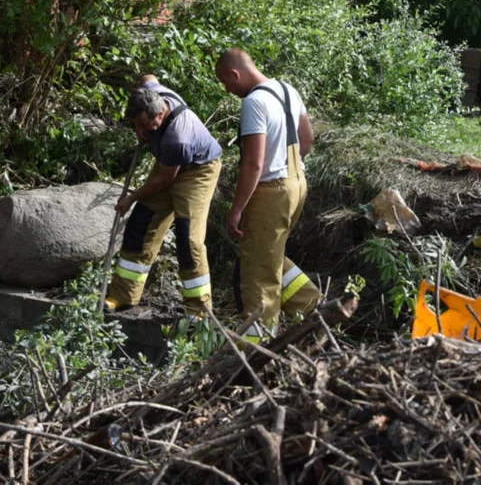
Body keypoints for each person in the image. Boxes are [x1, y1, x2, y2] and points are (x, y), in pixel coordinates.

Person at [215, 48, 322, 343]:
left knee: (258, 272)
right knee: (268, 253)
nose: (227, 89)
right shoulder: (287, 89)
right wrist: (289, 166)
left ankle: (257, 346)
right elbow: (308, 139)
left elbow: (254, 163)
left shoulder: (254, 102)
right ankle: (311, 305)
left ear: (235, 74)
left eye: (226, 82)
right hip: (297, 183)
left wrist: (237, 208)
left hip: (271, 192)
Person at [105, 76, 222, 317]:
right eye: (136, 125)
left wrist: (131, 198)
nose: (140, 132)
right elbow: (149, 78)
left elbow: (164, 180)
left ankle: (199, 312)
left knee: (188, 240)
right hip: (168, 164)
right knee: (141, 224)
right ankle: (122, 295)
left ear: (160, 115)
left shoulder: (176, 137)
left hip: (198, 171)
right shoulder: (151, 92)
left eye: (145, 127)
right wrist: (143, 129)